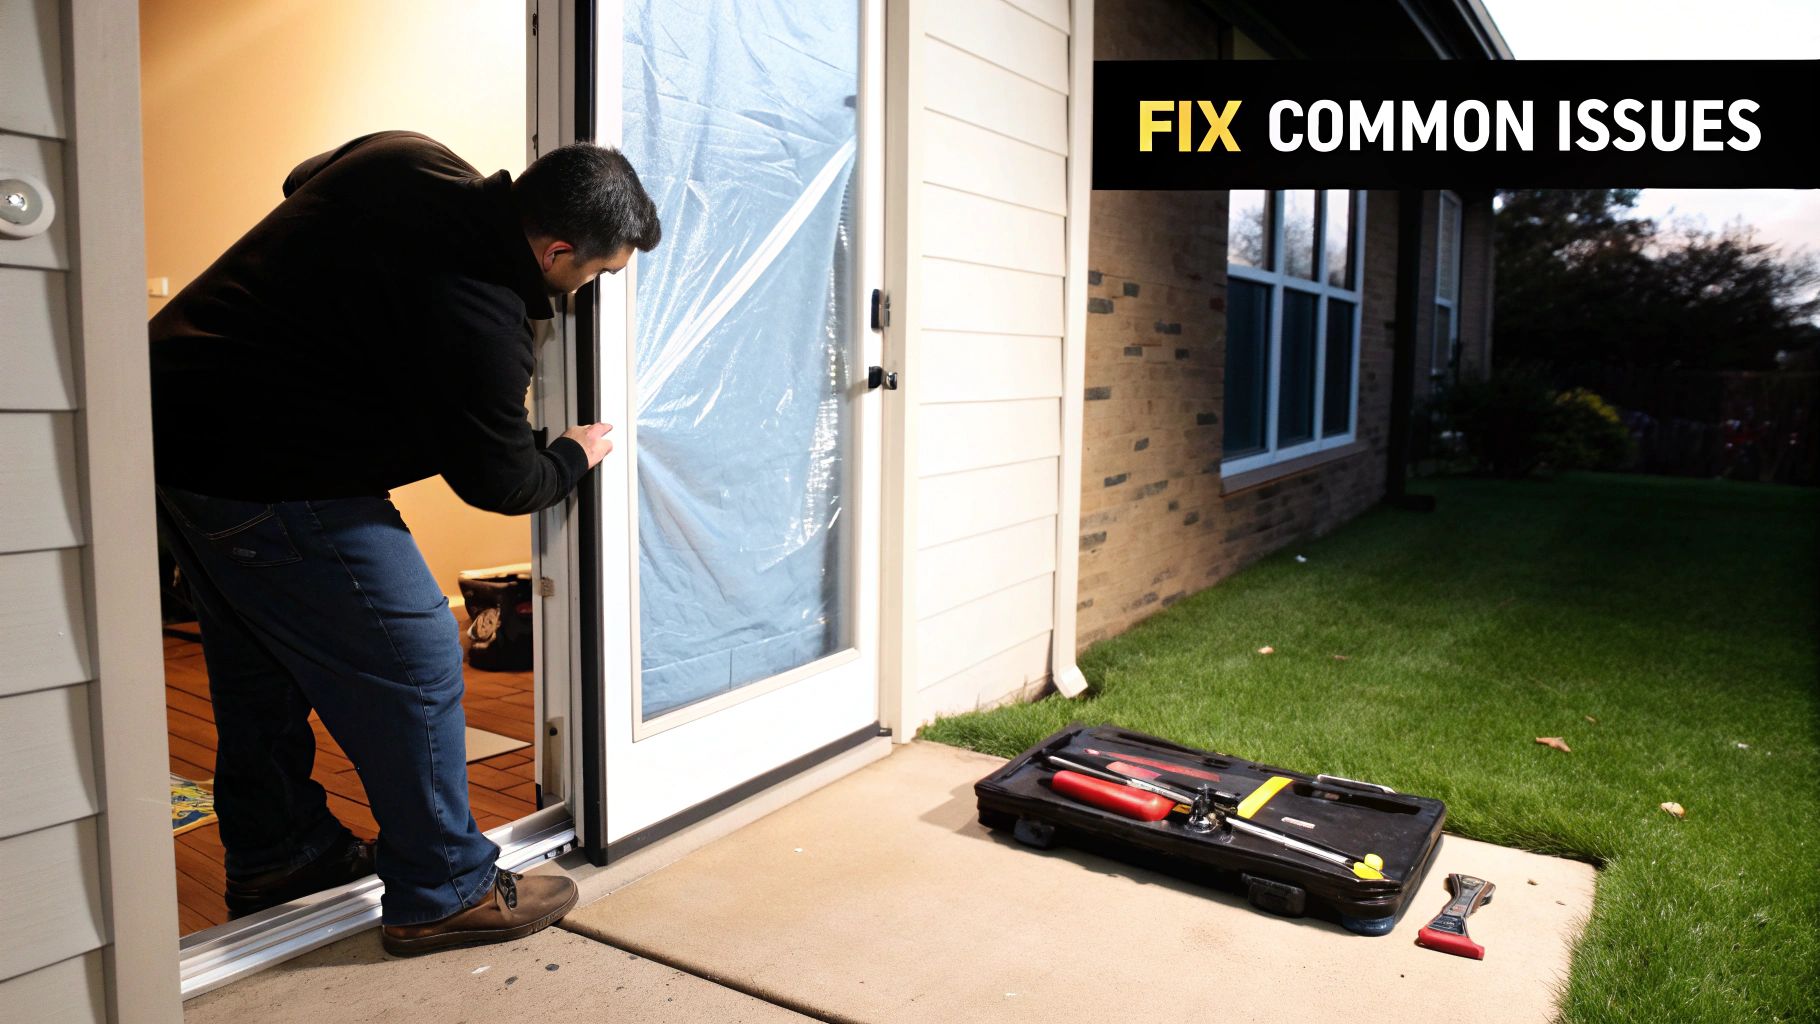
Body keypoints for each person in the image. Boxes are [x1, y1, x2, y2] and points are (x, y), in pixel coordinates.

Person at [149, 130, 660, 956]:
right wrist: (573, 452)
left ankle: (280, 855)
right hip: (266, 469)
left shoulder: (404, 157)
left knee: (258, 662)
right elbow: (500, 483)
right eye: (591, 276)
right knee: (418, 654)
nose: (581, 295)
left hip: (166, 432)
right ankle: (445, 888)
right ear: (557, 248)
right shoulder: (485, 316)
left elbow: (299, 177)